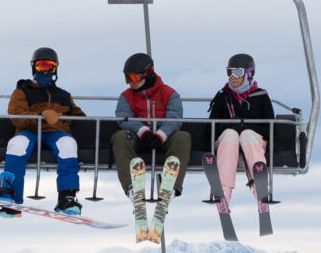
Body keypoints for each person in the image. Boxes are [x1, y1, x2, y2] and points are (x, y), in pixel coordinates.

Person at [0, 47, 85, 216]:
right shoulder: (22, 92)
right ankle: (9, 191)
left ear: (55, 69)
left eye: (49, 67)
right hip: (30, 131)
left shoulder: (64, 95)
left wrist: (67, 120)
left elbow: (79, 117)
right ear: (34, 68)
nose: (46, 71)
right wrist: (40, 117)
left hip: (56, 132)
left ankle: (67, 197)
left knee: (68, 144)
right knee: (17, 144)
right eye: (42, 66)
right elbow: (16, 116)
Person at [111, 52, 193, 198]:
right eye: (127, 77)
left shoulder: (170, 94)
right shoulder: (126, 97)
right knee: (120, 137)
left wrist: (160, 135)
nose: (131, 82)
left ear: (147, 74)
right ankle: (132, 188)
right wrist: (143, 131)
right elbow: (123, 118)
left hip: (164, 137)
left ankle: (170, 188)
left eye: (134, 77)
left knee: (183, 137)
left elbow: (175, 119)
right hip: (137, 137)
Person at [207, 53, 276, 201]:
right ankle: (223, 190)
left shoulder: (261, 96)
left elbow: (270, 127)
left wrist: (245, 127)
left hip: (252, 142)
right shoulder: (222, 98)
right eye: (229, 72)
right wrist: (232, 126)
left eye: (237, 72)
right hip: (226, 143)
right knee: (231, 133)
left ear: (248, 74)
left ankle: (261, 187)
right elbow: (211, 128)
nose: (233, 77)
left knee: (247, 135)